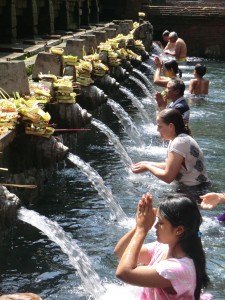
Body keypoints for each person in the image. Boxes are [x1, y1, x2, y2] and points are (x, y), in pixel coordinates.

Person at [115, 193, 210, 299]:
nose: (155, 226)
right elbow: (121, 252)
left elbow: (123, 273)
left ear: (178, 230)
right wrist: (138, 226)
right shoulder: (163, 247)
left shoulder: (178, 268)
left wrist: (142, 229)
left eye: (160, 223)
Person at [131, 109, 210, 187]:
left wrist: (147, 167)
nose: (157, 129)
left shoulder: (179, 143)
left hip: (193, 191)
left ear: (171, 126)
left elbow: (168, 177)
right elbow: (171, 167)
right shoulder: (181, 138)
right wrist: (146, 163)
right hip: (199, 188)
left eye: (160, 126)